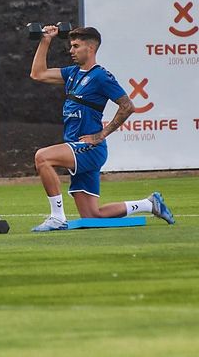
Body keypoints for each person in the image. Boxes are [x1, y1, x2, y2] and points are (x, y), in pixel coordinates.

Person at [28, 24, 175, 232]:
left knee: (42, 157)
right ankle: (149, 204)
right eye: (71, 46)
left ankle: (57, 217)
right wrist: (45, 40)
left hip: (89, 147)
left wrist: (102, 134)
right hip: (77, 146)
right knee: (92, 216)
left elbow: (127, 106)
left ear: (90, 49)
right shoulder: (72, 73)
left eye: (76, 46)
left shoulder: (101, 76)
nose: (71, 51)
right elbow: (38, 74)